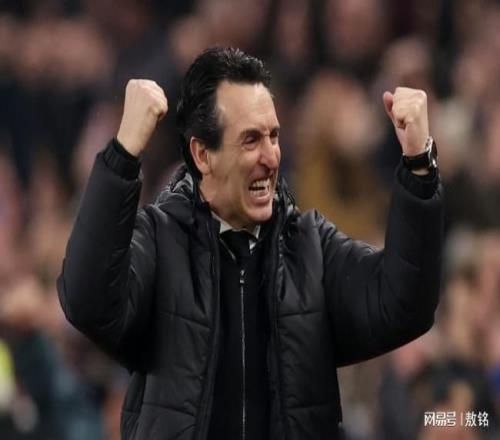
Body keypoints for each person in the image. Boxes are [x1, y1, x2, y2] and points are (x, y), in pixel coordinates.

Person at [57, 47, 443, 440]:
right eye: (251, 140)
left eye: (273, 136)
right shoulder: (158, 242)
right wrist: (122, 155)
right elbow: (87, 303)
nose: (271, 157)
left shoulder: (311, 248)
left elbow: (403, 305)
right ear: (202, 155)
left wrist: (419, 168)